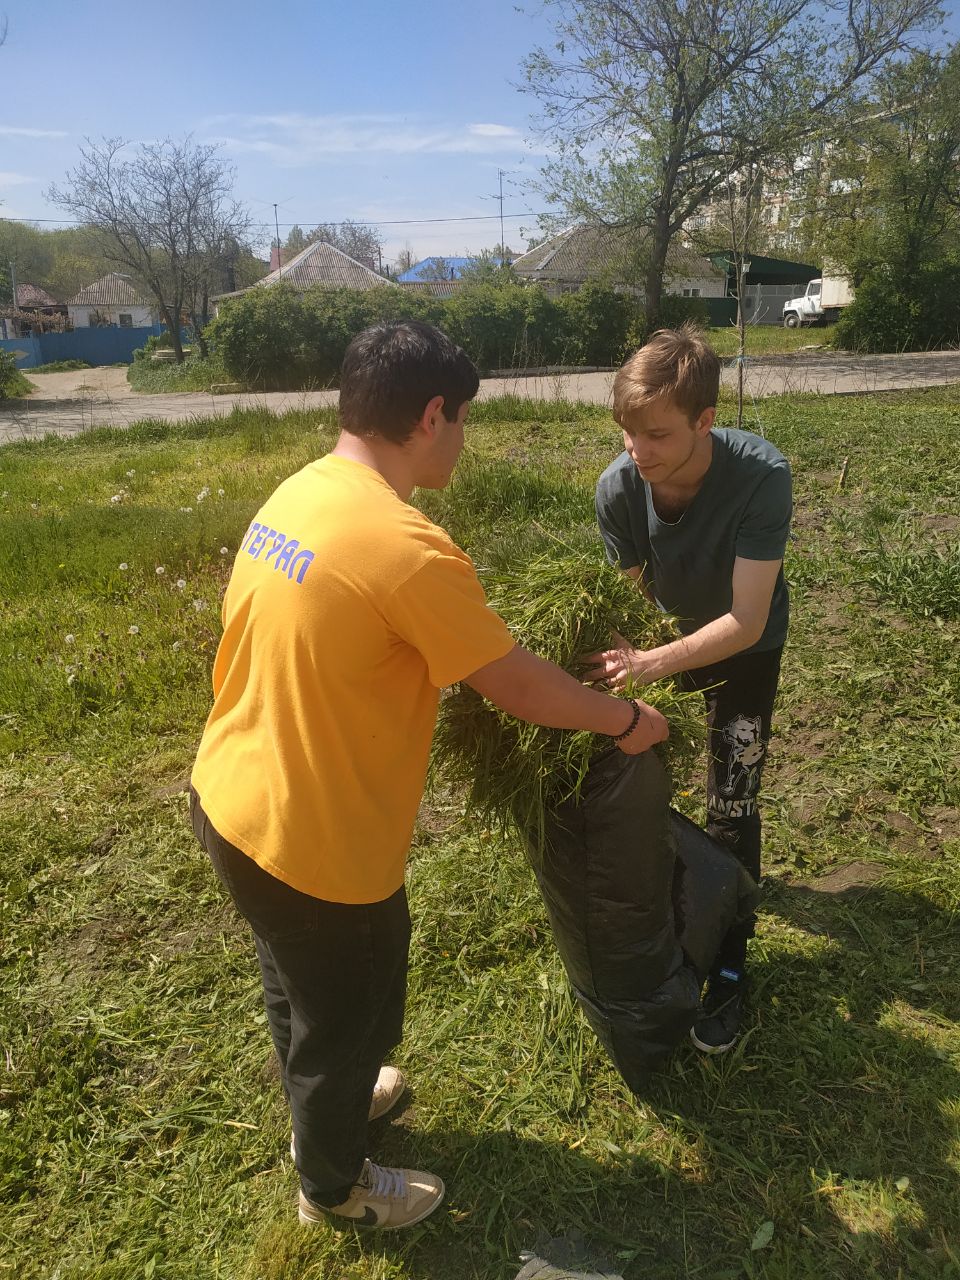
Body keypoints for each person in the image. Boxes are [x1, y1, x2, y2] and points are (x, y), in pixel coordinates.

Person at [189, 320, 668, 1232]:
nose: (463, 440)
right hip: (317, 843)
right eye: (464, 420)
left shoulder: (302, 492)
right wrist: (627, 719)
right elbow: (517, 685)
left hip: (231, 796)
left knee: (297, 987)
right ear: (432, 415)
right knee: (349, 1016)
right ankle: (333, 1189)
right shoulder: (406, 547)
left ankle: (326, 1108)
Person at [584, 324, 792, 1055]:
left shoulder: (761, 476)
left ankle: (731, 962)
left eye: (656, 434)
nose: (636, 450)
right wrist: (643, 666)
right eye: (627, 431)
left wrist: (649, 665)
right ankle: (672, 914)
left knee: (732, 794)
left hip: (744, 648)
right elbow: (635, 601)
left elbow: (746, 618)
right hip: (663, 642)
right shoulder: (618, 489)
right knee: (642, 780)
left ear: (706, 420)